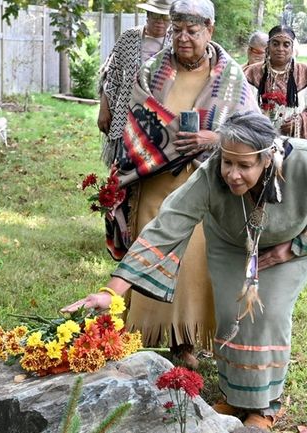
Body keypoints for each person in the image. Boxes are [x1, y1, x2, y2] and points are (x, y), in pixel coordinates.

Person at [63, 111, 307, 430]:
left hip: (290, 242)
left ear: (267, 159)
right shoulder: (211, 174)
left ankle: (265, 407)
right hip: (231, 240)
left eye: (244, 166)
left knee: (267, 314)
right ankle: (235, 394)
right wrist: (112, 291)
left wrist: (293, 248)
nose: (232, 174)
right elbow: (165, 227)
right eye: (228, 162)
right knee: (231, 313)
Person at [109, 0, 259, 369]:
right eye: (177, 30)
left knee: (193, 265)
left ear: (209, 29)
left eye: (192, 31)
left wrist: (215, 139)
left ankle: (185, 341)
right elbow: (135, 123)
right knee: (152, 251)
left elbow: (255, 132)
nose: (183, 38)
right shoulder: (151, 72)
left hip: (205, 187)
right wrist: (161, 143)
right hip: (155, 183)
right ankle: (140, 335)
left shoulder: (233, 78)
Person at [97, 0, 173, 167]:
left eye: (165, 17)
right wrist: (104, 107)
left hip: (161, 117)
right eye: (155, 16)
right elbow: (111, 74)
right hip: (126, 113)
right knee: (123, 168)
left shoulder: (176, 42)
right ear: (147, 15)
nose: (160, 21)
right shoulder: (129, 38)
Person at [244, 25, 307, 142]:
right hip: (259, 138)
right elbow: (240, 108)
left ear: (292, 48)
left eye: (286, 44)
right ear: (268, 47)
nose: (280, 49)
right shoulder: (251, 73)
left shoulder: (306, 73)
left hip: (295, 141)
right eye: (275, 44)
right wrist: (260, 120)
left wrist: (297, 123)